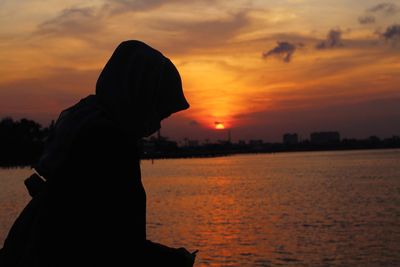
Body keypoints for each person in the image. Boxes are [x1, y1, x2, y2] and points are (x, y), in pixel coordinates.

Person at [0, 40, 197, 266]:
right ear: (140, 97)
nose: (157, 126)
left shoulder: (80, 124)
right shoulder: (109, 144)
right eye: (159, 113)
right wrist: (174, 260)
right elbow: (112, 247)